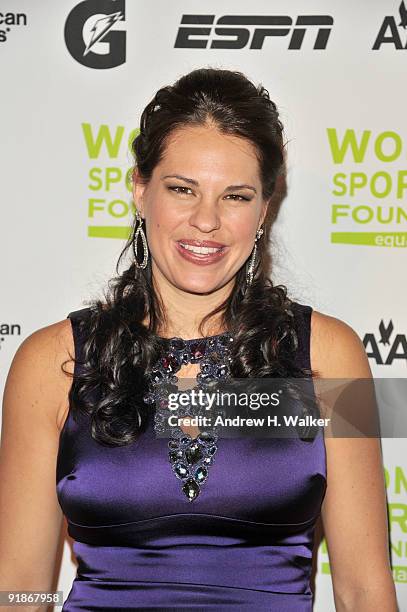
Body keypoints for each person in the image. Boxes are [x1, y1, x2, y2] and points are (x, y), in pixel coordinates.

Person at [0, 67, 397, 611]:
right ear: (140, 190)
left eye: (235, 196)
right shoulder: (53, 363)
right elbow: (19, 586)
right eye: (182, 189)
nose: (205, 221)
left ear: (264, 209)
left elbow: (363, 590)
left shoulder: (327, 356)